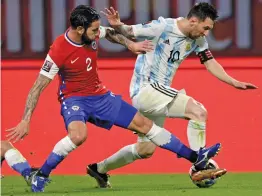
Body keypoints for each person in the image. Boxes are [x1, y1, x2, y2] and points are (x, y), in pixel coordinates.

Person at [6, 5, 222, 193]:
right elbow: (37, 87)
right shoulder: (59, 49)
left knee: (145, 125)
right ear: (80, 30)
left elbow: (109, 33)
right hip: (74, 99)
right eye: (93, 30)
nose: (97, 32)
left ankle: (196, 159)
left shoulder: (90, 32)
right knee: (79, 136)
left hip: (100, 96)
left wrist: (131, 45)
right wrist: (26, 119)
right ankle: (41, 174)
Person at [86, 2, 257, 188]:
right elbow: (130, 32)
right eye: (205, 28)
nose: (206, 33)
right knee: (198, 112)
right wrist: (118, 25)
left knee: (145, 149)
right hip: (146, 89)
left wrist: (233, 82)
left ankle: (99, 169)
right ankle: (200, 163)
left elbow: (210, 62)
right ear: (193, 21)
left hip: (157, 96)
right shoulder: (163, 27)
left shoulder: (198, 39)